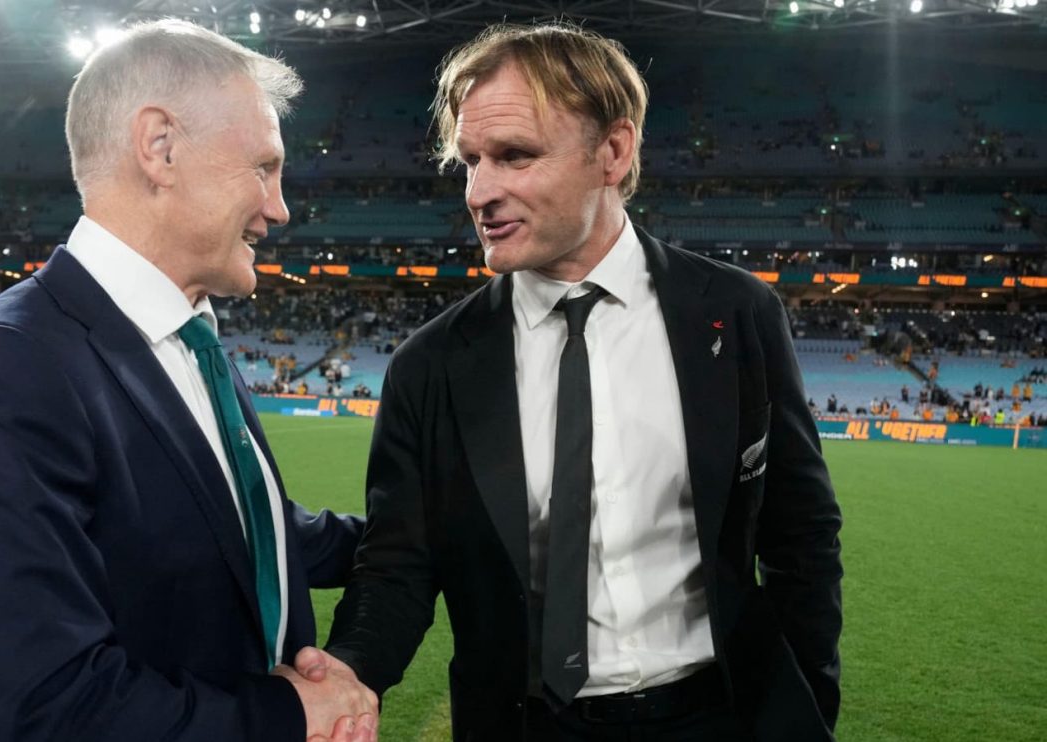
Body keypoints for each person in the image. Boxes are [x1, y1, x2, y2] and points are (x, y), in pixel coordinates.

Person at [313, 23, 843, 742]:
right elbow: (399, 563)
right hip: (523, 726)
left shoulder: (735, 314)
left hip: (718, 718)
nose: (479, 192)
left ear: (613, 153)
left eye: (514, 156)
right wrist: (350, 672)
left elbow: (801, 535)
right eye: (469, 161)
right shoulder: (429, 365)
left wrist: (805, 705)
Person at [0, 20, 377, 742]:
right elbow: (35, 709)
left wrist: (418, 535)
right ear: (160, 147)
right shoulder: (9, 363)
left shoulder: (193, 336)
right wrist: (286, 714)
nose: (280, 207)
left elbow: (248, 530)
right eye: (264, 167)